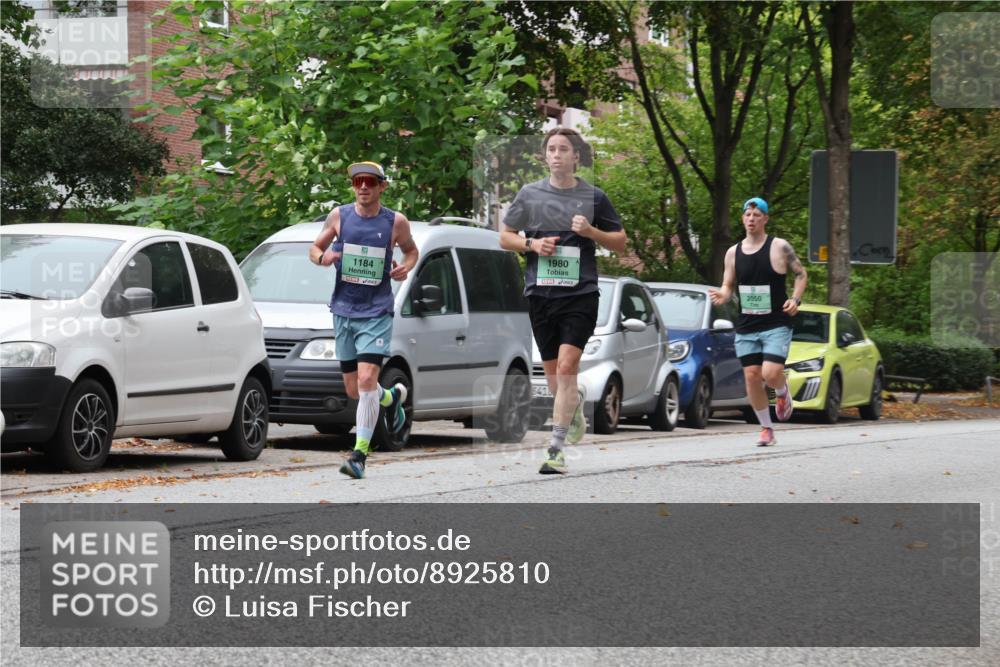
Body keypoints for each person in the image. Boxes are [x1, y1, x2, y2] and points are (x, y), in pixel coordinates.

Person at [500, 128, 626, 474]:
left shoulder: (594, 197)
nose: (556, 155)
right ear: (545, 157)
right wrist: (532, 246)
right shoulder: (529, 194)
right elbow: (505, 237)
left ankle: (555, 449)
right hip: (541, 295)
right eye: (551, 149)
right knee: (557, 381)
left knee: (569, 368)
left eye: (563, 149)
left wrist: (591, 232)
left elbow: (620, 243)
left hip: (580, 295)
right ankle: (574, 404)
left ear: (576, 157)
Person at [309, 161, 419, 478]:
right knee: (356, 390)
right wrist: (323, 257)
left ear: (382, 186)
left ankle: (359, 457)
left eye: (370, 181)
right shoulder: (339, 217)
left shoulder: (395, 222)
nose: (363, 187)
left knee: (367, 379)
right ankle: (393, 397)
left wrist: (406, 267)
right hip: (344, 310)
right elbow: (315, 248)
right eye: (358, 181)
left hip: (377, 311)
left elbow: (411, 251)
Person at [709, 197, 807, 446]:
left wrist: (795, 299)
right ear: (743, 218)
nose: (751, 219)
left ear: (765, 218)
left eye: (756, 215)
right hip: (747, 324)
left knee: (770, 373)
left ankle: (782, 391)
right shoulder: (733, 252)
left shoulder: (779, 247)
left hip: (776, 322)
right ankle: (766, 428)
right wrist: (723, 293)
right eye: (747, 214)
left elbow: (801, 274)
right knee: (752, 376)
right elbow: (728, 283)